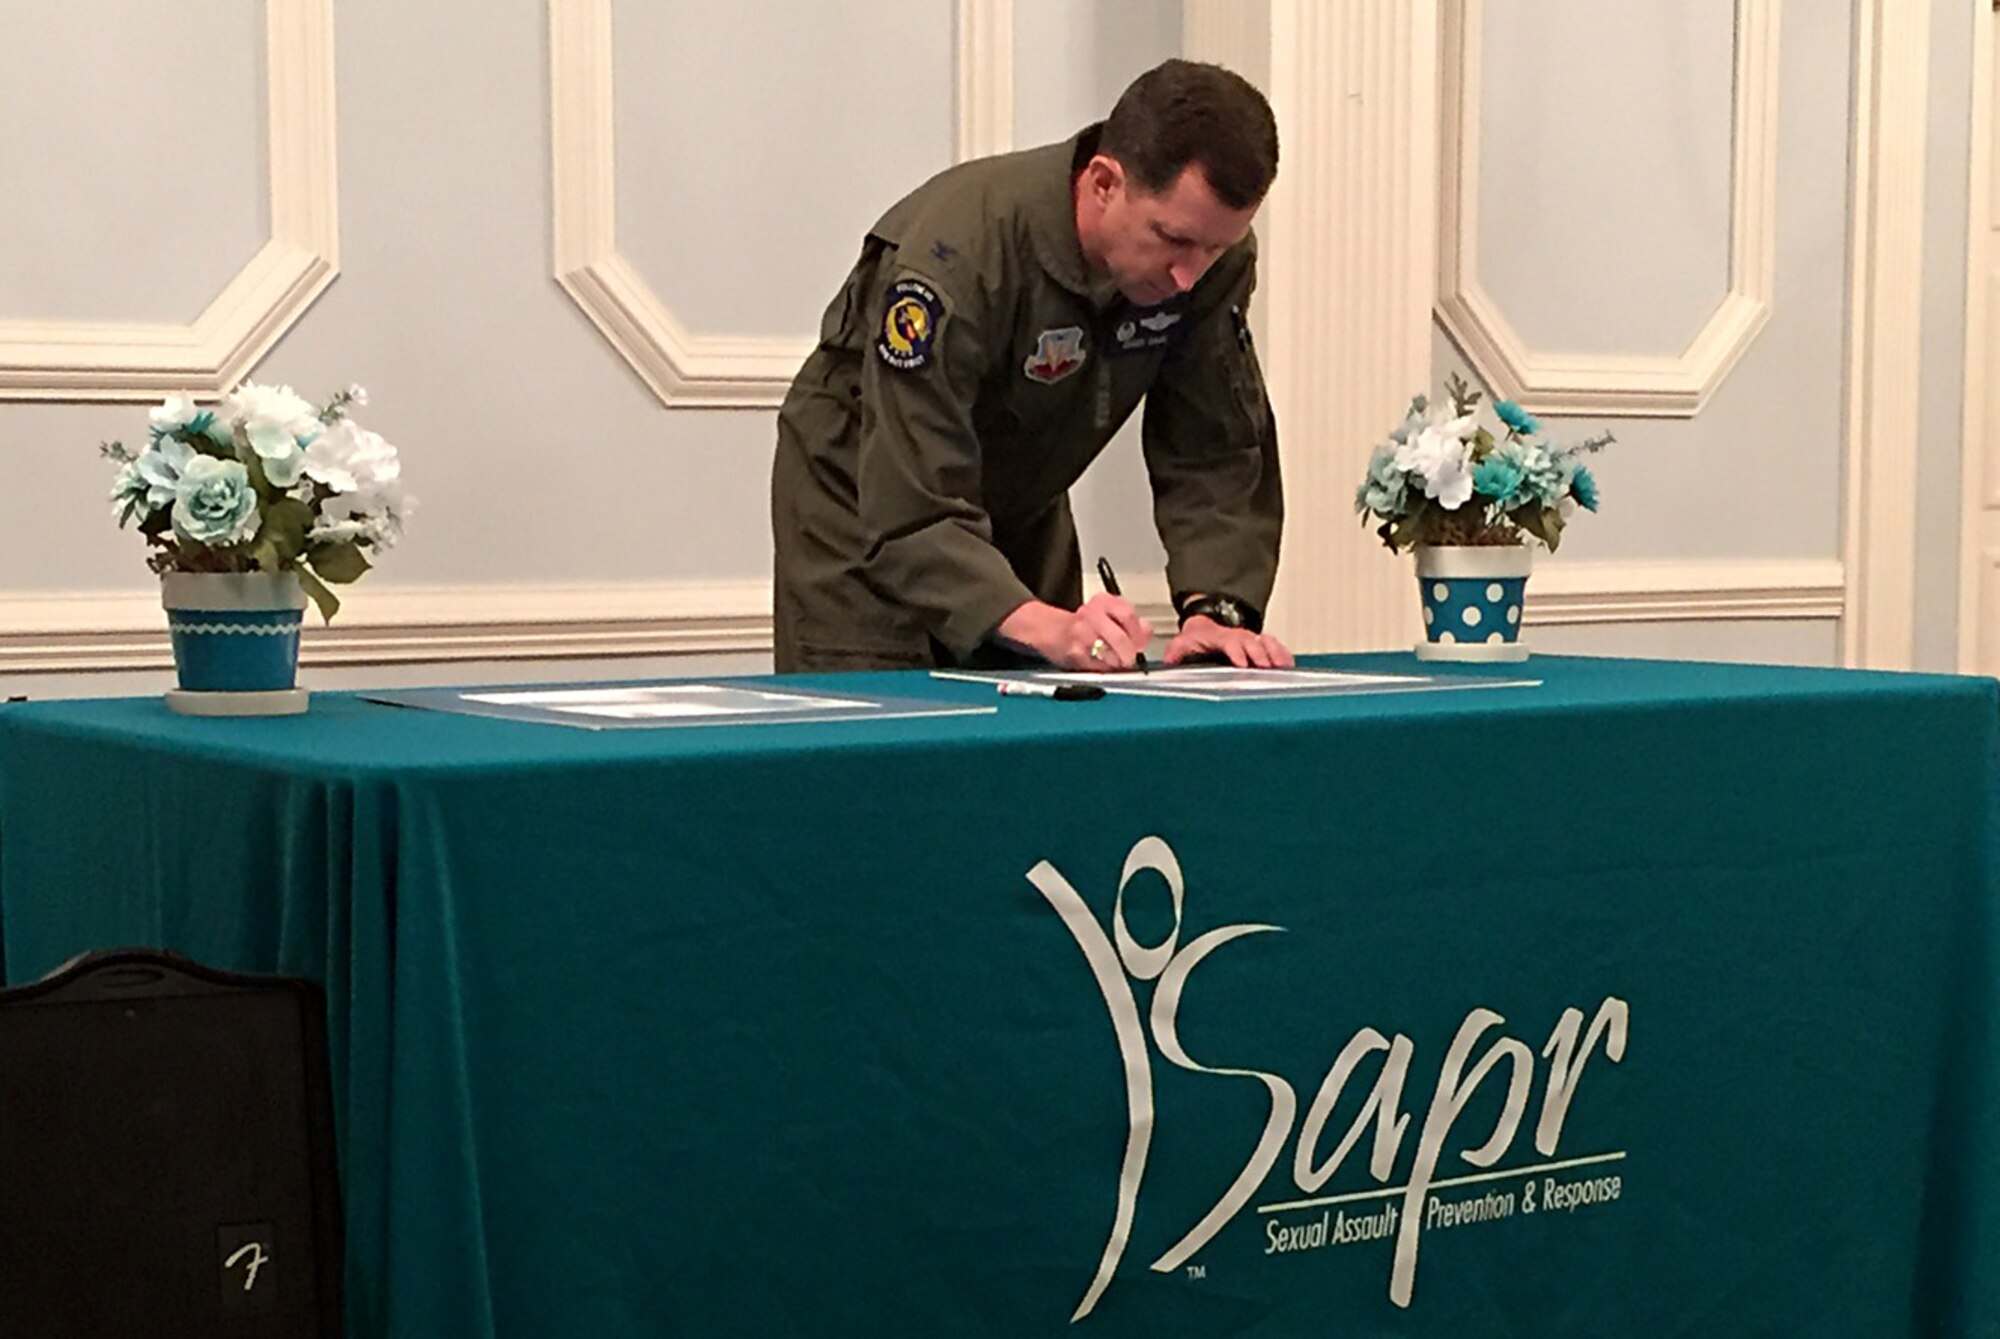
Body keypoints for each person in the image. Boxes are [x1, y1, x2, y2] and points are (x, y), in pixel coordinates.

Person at [770, 58, 1294, 674]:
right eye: (1173, 239)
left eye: (1217, 247)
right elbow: (909, 495)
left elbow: (1215, 445)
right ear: (1104, 183)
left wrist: (1215, 609)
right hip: (864, 506)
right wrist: (1041, 622)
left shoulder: (1207, 260)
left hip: (1020, 499)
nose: (1191, 275)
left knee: (1040, 729)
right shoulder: (958, 256)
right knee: (884, 744)